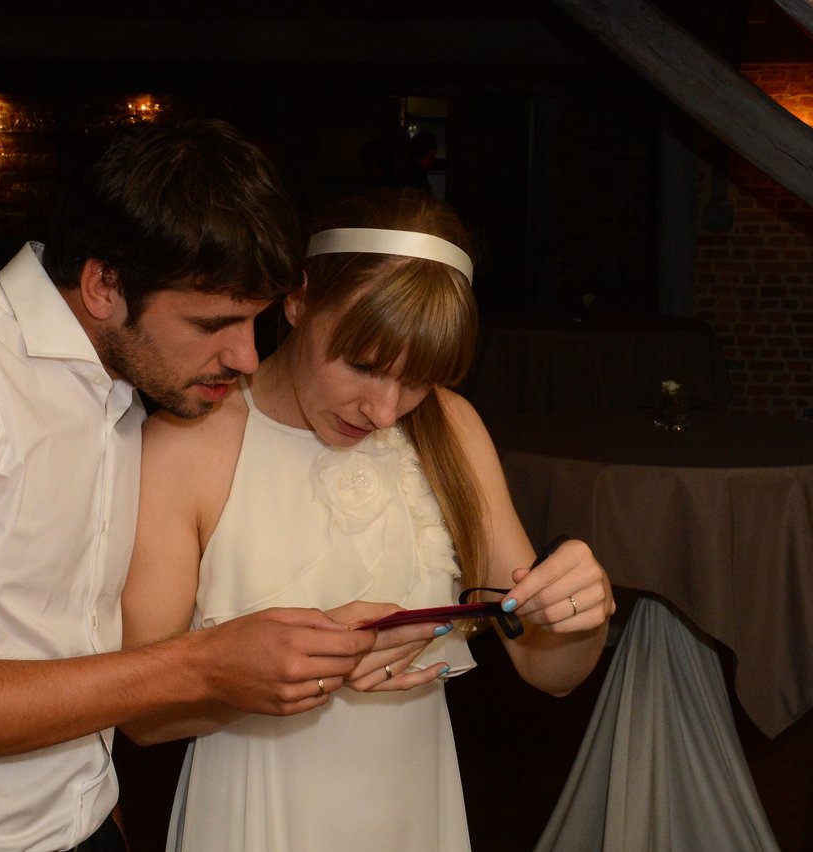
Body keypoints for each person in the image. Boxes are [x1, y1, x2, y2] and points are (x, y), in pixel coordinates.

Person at [0, 119, 437, 852]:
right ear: (103, 284)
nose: (245, 355)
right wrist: (200, 664)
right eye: (216, 323)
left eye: (254, 323)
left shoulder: (117, 385)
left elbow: (58, 643)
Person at [121, 187, 616, 850]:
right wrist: (311, 667)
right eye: (361, 365)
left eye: (416, 380)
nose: (384, 412)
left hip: (414, 807)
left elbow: (546, 671)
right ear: (297, 300)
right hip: (261, 817)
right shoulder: (184, 448)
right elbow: (141, 716)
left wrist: (580, 617)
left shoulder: (449, 426)